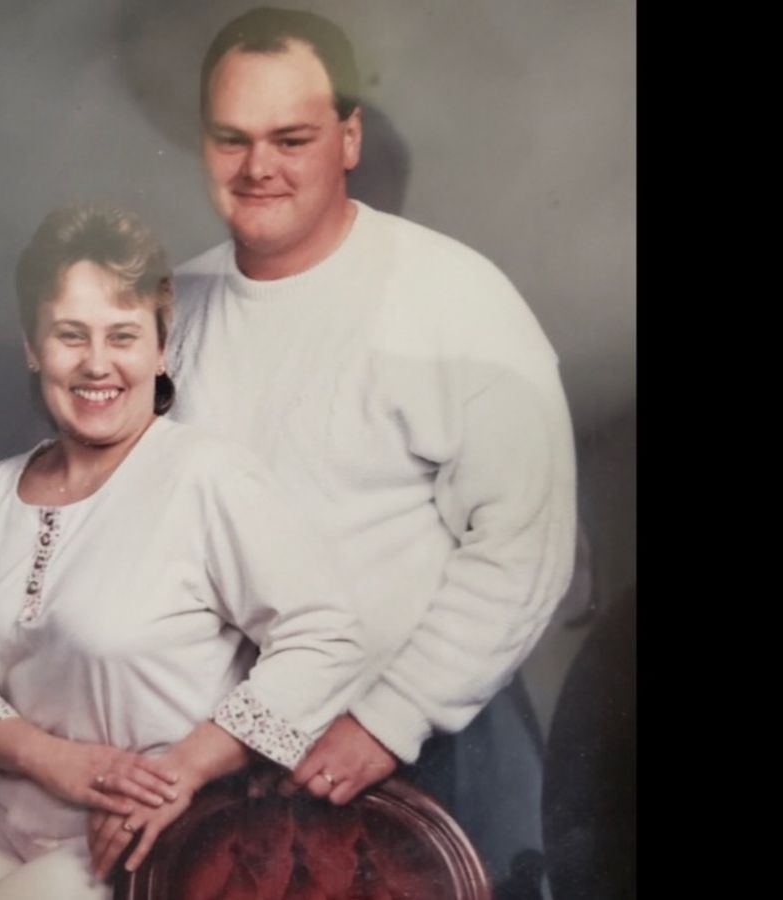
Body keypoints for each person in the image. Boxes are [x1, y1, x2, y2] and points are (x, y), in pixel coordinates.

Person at [138, 7, 576, 894]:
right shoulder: (167, 309)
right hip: (220, 757)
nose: (258, 167)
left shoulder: (458, 298)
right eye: (231, 138)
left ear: (348, 138)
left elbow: (523, 548)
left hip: (412, 753)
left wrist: (387, 722)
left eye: (291, 138)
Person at [0, 203, 367, 899]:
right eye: (69, 335)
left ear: (161, 349)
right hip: (6, 813)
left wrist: (184, 771)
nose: (96, 363)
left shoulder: (208, 478)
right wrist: (52, 759)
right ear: (33, 347)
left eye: (123, 335)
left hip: (147, 833)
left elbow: (326, 636)